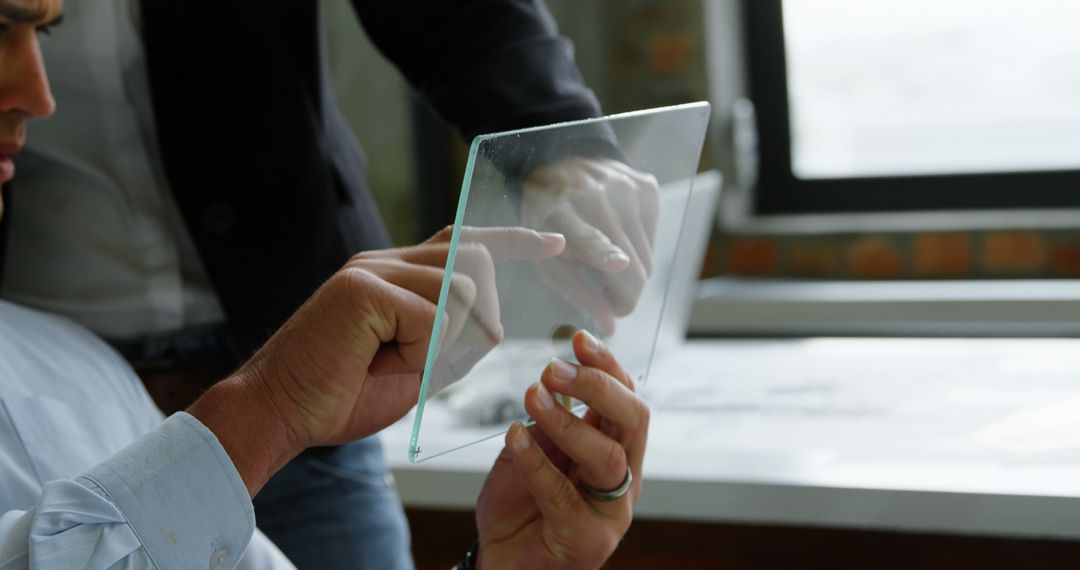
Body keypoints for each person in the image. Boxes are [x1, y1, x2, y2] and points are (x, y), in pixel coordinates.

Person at [0, 2, 658, 566]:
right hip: (61, 387)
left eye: (44, 32)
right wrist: (276, 402)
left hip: (305, 381)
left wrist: (554, 136)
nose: (42, 97)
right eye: (5, 26)